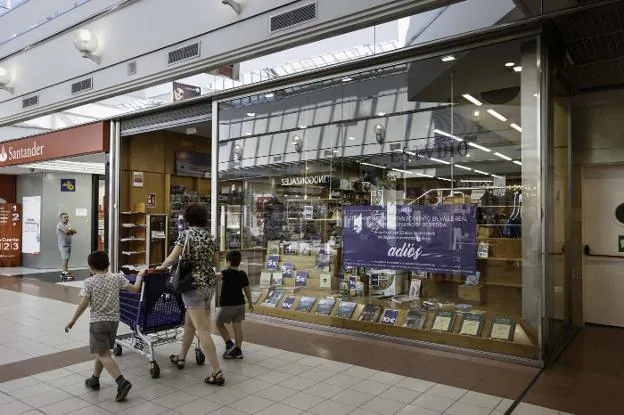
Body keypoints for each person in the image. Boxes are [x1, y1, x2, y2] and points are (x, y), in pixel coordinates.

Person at [64, 251, 147, 402]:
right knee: (102, 352)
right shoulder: (117, 278)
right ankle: (94, 379)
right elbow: (134, 290)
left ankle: (122, 382)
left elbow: (83, 304)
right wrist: (140, 276)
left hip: (98, 323)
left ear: (91, 267)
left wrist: (73, 320)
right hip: (113, 321)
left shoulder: (90, 282)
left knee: (103, 354)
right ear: (107, 264)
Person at [156, 204, 225, 386]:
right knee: (190, 324)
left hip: (191, 286)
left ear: (188, 219)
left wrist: (160, 268)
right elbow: (216, 263)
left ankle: (217, 372)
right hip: (209, 286)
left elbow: (172, 258)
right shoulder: (211, 237)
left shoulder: (185, 235)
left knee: (202, 329)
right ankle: (181, 357)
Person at [216, 250, 253, 359]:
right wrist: (250, 302)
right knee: (237, 326)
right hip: (240, 304)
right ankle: (238, 350)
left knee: (218, 323)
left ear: (228, 262)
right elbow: (247, 290)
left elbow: (215, 276)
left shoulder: (226, 273)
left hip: (228, 304)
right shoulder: (242, 274)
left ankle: (229, 344)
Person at [57, 212, 76, 279]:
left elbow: (75, 231)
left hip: (68, 244)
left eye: (67, 217)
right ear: (61, 219)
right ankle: (64, 272)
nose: (66, 218)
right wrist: (70, 230)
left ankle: (66, 271)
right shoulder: (59, 225)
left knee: (67, 259)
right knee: (65, 259)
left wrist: (70, 230)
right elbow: (66, 232)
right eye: (64, 217)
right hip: (63, 245)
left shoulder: (68, 224)